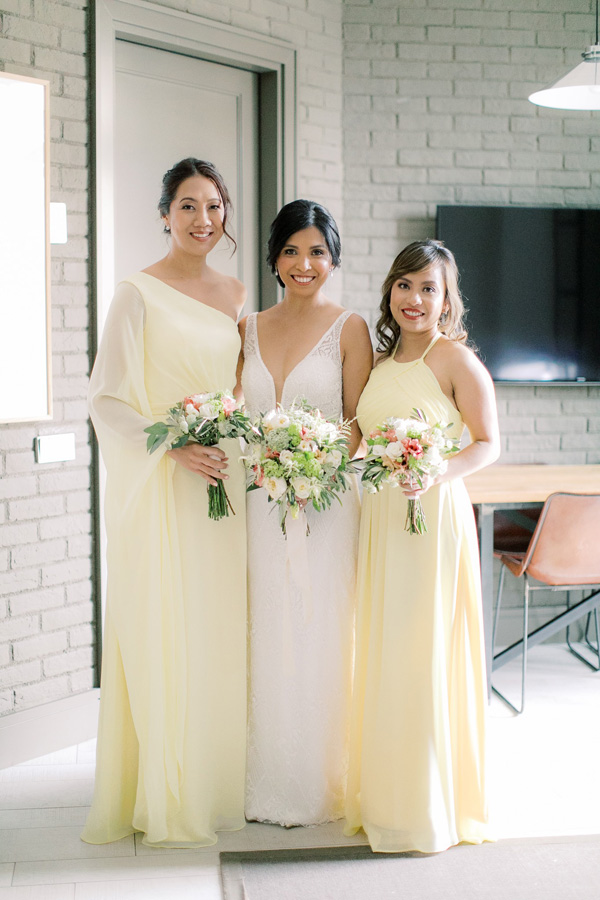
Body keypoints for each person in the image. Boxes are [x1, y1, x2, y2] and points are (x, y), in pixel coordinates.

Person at [82, 158, 248, 847]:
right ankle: (165, 787)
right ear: (163, 214)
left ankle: (216, 780)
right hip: (162, 486)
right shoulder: (136, 293)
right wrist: (171, 448)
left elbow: (241, 388)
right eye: (187, 206)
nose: (202, 220)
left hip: (223, 481)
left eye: (213, 207)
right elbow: (107, 399)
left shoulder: (237, 293)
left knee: (218, 629)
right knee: (165, 628)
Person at [345, 239, 500, 853]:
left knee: (423, 653)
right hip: (383, 520)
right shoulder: (378, 366)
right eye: (405, 286)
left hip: (432, 517)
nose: (414, 299)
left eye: (428, 288)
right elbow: (355, 435)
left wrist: (437, 472)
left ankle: (426, 810)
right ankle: (385, 799)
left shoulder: (457, 362)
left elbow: (487, 442)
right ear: (390, 292)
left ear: (446, 300)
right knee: (385, 652)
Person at [237, 199, 373, 826]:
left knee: (321, 628)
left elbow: (356, 425)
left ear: (333, 258)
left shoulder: (348, 328)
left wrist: (312, 469)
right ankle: (268, 777)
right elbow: (239, 412)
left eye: (316, 250)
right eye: (291, 250)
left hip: (326, 502)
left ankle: (321, 781)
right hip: (263, 503)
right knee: (269, 629)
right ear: (274, 258)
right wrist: (273, 467)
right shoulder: (250, 326)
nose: (303, 262)